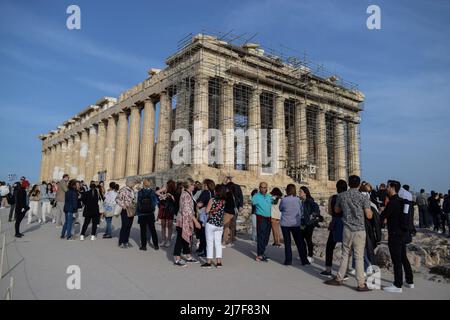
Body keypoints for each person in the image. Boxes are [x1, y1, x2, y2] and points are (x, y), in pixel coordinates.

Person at [325, 175, 373, 292]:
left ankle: (339, 278)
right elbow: (369, 215)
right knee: (358, 257)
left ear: (348, 184)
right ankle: (361, 284)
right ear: (359, 184)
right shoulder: (363, 197)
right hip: (359, 230)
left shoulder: (341, 196)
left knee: (345, 254)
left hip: (347, 228)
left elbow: (336, 210)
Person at [381, 180, 414, 293]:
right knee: (403, 257)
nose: (386, 189)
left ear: (393, 188)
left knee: (397, 260)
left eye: (388, 187)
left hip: (394, 235)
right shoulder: (401, 201)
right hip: (402, 234)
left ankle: (397, 285)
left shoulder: (393, 202)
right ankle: (410, 281)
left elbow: (383, 215)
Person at [321, 180, 347, 277]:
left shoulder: (332, 198)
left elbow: (330, 212)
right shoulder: (347, 198)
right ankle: (344, 272)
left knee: (330, 246)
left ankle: (328, 269)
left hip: (335, 223)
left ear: (337, 188)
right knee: (346, 249)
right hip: (345, 224)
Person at [173, 178, 201, 267]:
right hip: (183, 220)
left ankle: (188, 256)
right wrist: (195, 221)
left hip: (186, 220)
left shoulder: (189, 193)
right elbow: (187, 210)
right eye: (192, 184)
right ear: (188, 186)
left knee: (186, 238)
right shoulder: (185, 195)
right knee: (180, 239)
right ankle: (177, 258)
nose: (194, 186)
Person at [279, 184, 309, 266]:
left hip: (285, 223)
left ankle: (288, 261)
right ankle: (304, 261)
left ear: (287, 190)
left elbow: (280, 209)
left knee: (287, 243)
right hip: (295, 223)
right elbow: (301, 209)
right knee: (299, 242)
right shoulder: (298, 200)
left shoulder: (284, 200)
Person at [201, 184, 227, 268]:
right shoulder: (223, 201)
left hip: (211, 223)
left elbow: (207, 211)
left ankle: (208, 262)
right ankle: (219, 262)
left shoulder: (212, 200)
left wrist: (205, 208)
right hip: (219, 224)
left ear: (216, 191)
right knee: (218, 243)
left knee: (209, 243)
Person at [298, 186, 321, 263]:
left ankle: (310, 256)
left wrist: (313, 216)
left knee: (308, 239)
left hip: (309, 223)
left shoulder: (309, 200)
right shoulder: (301, 201)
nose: (299, 193)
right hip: (302, 223)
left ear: (305, 193)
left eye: (300, 191)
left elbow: (316, 207)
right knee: (301, 238)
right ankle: (304, 254)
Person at [252, 182, 273, 262]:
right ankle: (259, 255)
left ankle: (262, 252)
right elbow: (252, 203)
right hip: (261, 218)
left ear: (267, 188)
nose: (263, 189)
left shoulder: (268, 196)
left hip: (268, 218)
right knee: (261, 236)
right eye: (262, 187)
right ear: (259, 187)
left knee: (266, 237)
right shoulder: (256, 196)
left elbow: (273, 202)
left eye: (265, 187)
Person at [136, 178, 159, 251]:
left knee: (143, 230)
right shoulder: (152, 192)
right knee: (152, 229)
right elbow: (155, 202)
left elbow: (138, 202)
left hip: (142, 213)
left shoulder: (140, 192)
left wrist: (139, 211)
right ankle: (156, 245)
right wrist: (152, 208)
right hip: (150, 213)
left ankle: (143, 246)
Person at [116, 177, 139, 248]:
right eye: (133, 183)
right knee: (124, 226)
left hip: (131, 209)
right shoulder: (123, 190)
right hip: (125, 210)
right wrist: (123, 206)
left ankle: (126, 241)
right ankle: (121, 242)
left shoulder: (132, 190)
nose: (134, 184)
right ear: (130, 183)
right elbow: (117, 199)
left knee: (129, 226)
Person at [196, 179, 215, 257]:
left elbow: (200, 203)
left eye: (204, 184)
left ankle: (203, 250)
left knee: (203, 233)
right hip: (210, 215)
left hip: (204, 214)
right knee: (207, 233)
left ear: (206, 185)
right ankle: (202, 249)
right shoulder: (213, 193)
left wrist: (197, 205)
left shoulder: (205, 192)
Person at [156, 180, 178, 247]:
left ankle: (168, 240)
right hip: (164, 208)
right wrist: (163, 195)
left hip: (170, 209)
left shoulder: (175, 191)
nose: (166, 185)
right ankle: (163, 240)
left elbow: (175, 201)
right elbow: (157, 192)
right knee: (163, 225)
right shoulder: (165, 188)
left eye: (167, 184)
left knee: (169, 226)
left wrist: (171, 196)